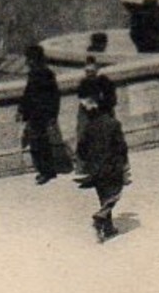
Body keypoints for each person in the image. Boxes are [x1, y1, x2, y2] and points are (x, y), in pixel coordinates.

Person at [75, 85, 129, 243]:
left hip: (96, 169)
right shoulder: (113, 124)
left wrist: (89, 163)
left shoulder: (89, 127)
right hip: (111, 167)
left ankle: (108, 228)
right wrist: (123, 163)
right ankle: (101, 215)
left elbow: (81, 149)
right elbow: (121, 147)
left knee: (103, 196)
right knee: (115, 193)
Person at [18, 45, 68, 184]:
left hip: (41, 114)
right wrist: (22, 109)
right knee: (37, 143)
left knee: (40, 143)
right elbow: (28, 93)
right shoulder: (35, 73)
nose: (27, 62)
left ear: (35, 59)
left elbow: (54, 96)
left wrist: (51, 115)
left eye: (29, 59)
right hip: (35, 114)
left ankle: (46, 171)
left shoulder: (45, 74)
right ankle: (45, 170)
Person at [74, 58, 118, 162]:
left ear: (97, 70)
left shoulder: (105, 81)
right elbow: (81, 97)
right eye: (87, 71)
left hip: (103, 113)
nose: (89, 74)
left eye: (91, 71)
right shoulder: (83, 83)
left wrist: (99, 105)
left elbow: (111, 100)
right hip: (89, 115)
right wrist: (88, 105)